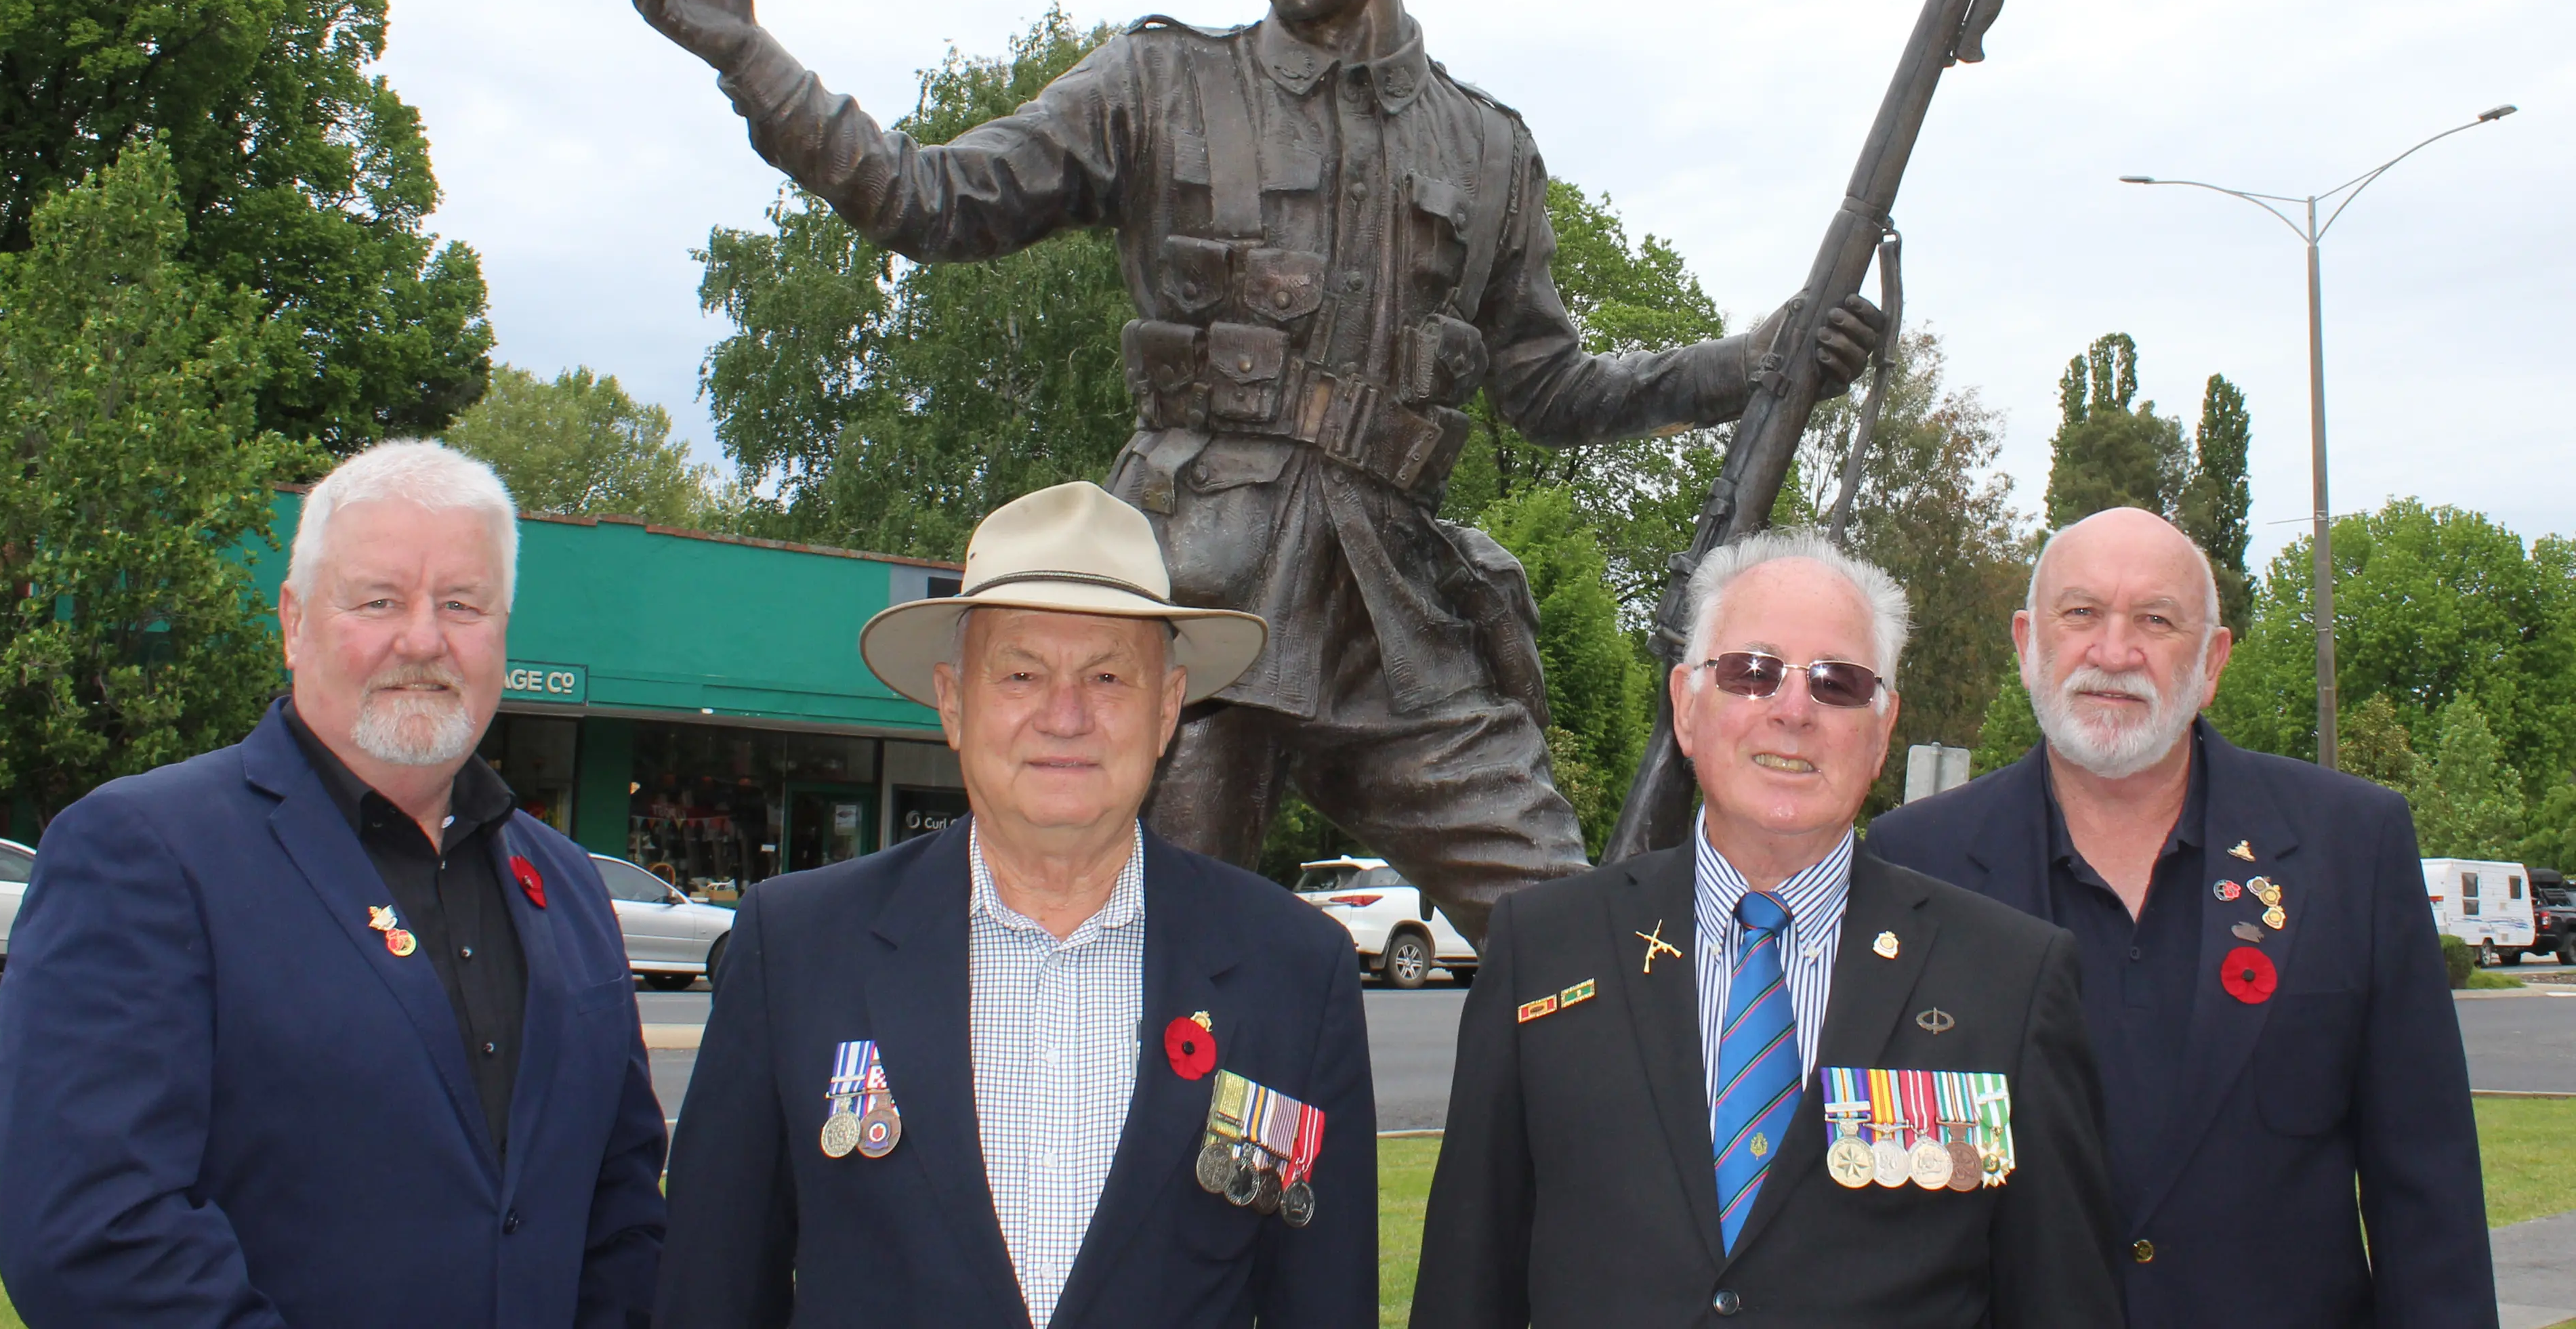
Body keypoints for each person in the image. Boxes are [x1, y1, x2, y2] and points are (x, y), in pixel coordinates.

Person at [616, 0, 1880, 942]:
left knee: (1579, 934)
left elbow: (1550, 388)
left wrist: (1749, 363)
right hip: (1197, 610)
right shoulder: (1158, 89)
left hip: (1396, 628)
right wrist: (746, 57)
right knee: (1155, 964)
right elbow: (926, 198)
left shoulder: (1488, 151)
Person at [655, 482, 1377, 1328]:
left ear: (1168, 709)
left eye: (1108, 675)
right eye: (1022, 672)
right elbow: (709, 1294)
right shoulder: (796, 948)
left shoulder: (1293, 969)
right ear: (955, 704)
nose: (1064, 716)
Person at [0, 440, 667, 1328]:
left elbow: (620, 1203)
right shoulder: (145, 855)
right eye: (379, 600)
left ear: (501, 631)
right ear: (294, 621)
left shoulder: (568, 886)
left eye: (462, 604)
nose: (422, 638)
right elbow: (93, 1237)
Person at [1411, 529, 2121, 1328]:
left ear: (1883, 730)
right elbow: (1465, 1286)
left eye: (1838, 683)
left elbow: (2064, 1300)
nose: (1793, 711)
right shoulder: (1543, 947)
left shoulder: (2009, 979)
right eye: (1752, 672)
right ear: (1685, 705)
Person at [1867, 507, 2499, 1328]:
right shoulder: (1916, 860)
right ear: (2028, 643)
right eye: (2082, 612)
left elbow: (2428, 1187)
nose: (2114, 651)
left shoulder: (2353, 844)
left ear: (2212, 662)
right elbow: (1892, 1197)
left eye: (2156, 620)